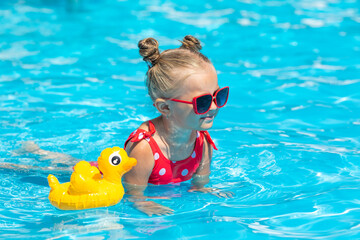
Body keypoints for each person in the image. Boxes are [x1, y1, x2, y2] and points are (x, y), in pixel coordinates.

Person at [123, 35, 232, 216]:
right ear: (165, 107)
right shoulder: (144, 149)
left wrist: (204, 191)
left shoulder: (202, 140)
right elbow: (133, 193)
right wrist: (142, 204)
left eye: (218, 95)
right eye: (202, 102)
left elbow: (200, 181)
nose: (213, 106)